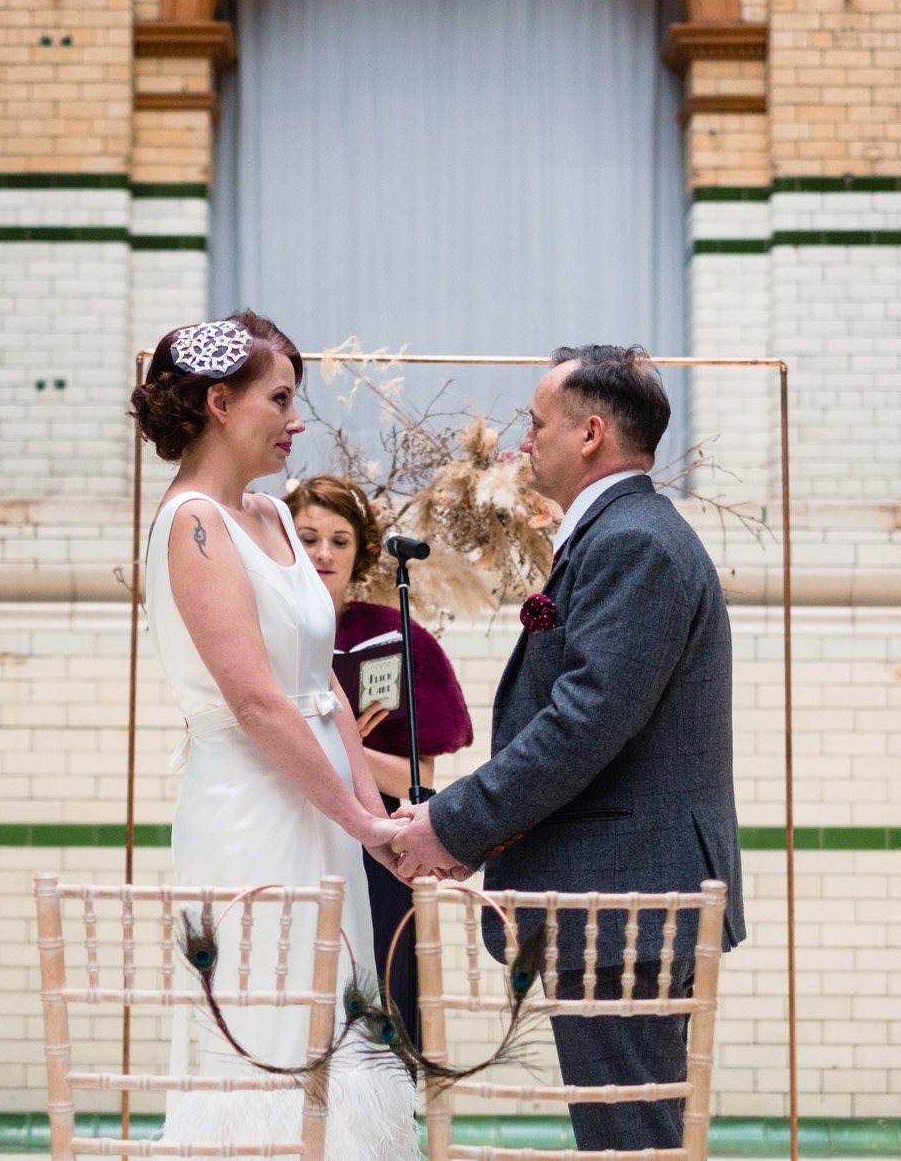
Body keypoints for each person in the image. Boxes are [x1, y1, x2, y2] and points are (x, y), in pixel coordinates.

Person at [387, 344, 746, 1154]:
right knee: (624, 1129)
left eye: (535, 422)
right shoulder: (621, 535)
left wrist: (451, 823)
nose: (522, 439)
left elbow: (581, 723)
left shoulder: (635, 543)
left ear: (590, 433)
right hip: (614, 892)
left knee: (630, 1136)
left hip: (623, 899)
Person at [132, 313, 416, 1159]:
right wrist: (361, 819)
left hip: (325, 805)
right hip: (251, 808)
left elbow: (319, 681)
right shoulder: (193, 525)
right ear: (220, 402)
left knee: (338, 1012)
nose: (299, 421)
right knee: (269, 1021)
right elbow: (258, 702)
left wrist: (377, 824)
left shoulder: (272, 515)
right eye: (282, 398)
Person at [286, 473, 474, 1043]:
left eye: (340, 540)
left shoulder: (391, 635)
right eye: (309, 537)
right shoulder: (264, 632)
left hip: (376, 850)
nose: (323, 553)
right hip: (290, 833)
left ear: (361, 550)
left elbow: (416, 779)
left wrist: (347, 742)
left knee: (384, 997)